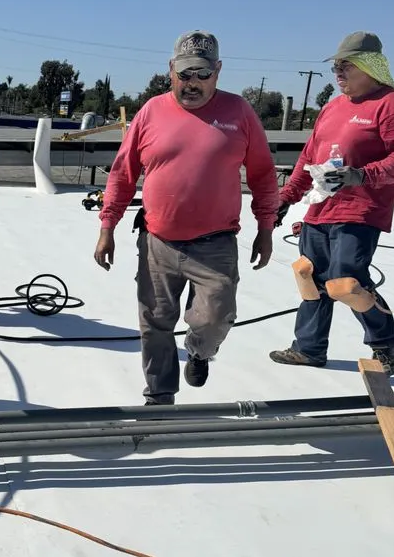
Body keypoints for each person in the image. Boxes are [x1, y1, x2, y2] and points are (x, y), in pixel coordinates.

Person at [94, 30, 279, 404]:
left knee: (215, 318)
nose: (192, 83)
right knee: (155, 322)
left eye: (202, 74)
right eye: (184, 74)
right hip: (157, 241)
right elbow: (122, 173)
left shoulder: (239, 112)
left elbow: (262, 174)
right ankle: (159, 396)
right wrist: (107, 226)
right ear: (170, 70)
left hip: (215, 244)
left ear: (218, 71)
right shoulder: (151, 111)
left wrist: (265, 228)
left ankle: (198, 351)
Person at [270, 32, 394, 372]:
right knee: (309, 277)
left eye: (346, 66)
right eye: (336, 68)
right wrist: (285, 197)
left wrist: (361, 175)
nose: (338, 73)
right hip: (320, 208)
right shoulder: (332, 107)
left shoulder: (388, 103)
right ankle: (309, 348)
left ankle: (388, 345)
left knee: (346, 281)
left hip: (359, 211)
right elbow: (308, 158)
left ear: (369, 66)